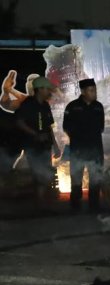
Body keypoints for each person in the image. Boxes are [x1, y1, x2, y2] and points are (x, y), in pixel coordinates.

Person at [15, 76, 59, 208]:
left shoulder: (45, 105)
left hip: (46, 146)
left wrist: (55, 145)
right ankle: (39, 203)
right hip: (32, 146)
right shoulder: (28, 104)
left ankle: (42, 202)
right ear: (39, 89)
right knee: (38, 173)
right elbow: (19, 122)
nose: (49, 92)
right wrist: (35, 134)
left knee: (45, 173)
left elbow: (49, 127)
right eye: (47, 89)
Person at [63, 78, 104, 213]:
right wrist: (78, 139)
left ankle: (94, 205)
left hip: (95, 149)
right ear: (83, 91)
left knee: (95, 178)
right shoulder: (72, 106)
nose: (94, 93)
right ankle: (75, 205)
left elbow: (101, 127)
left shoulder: (98, 106)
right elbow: (66, 127)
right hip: (78, 150)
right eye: (91, 90)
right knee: (76, 178)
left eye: (95, 90)